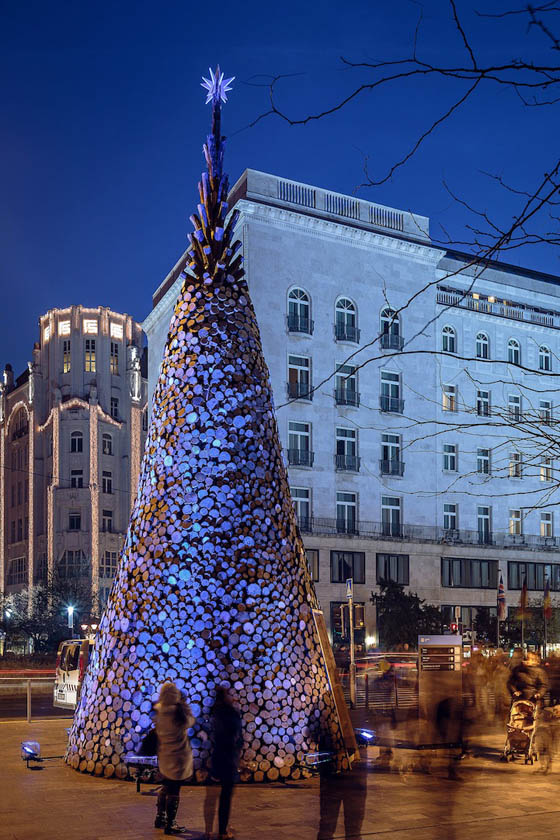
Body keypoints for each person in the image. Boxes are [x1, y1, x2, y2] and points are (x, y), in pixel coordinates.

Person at [154, 681, 195, 835]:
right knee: (174, 790)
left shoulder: (159, 711)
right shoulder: (178, 712)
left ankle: (160, 817)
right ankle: (171, 823)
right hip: (178, 757)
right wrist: (184, 706)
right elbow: (190, 722)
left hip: (164, 756)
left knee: (166, 786)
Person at [209, 687, 243, 840]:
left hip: (218, 756)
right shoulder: (230, 713)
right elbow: (236, 736)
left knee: (219, 795)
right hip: (228, 757)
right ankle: (222, 831)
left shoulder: (215, 712)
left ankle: (215, 828)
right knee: (226, 795)